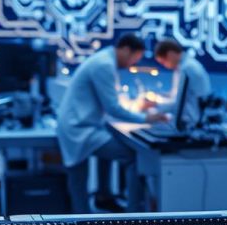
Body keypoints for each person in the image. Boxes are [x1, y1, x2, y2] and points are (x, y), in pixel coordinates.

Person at [57, 33, 169, 214]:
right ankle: (133, 214)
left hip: (82, 125)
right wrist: (147, 118)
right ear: (126, 49)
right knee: (134, 158)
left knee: (88, 171)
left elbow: (112, 102)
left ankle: (104, 198)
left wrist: (137, 108)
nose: (133, 64)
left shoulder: (104, 60)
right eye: (134, 58)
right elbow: (113, 108)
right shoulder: (104, 65)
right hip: (79, 129)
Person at [153, 39, 212, 127]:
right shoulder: (184, 66)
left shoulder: (187, 69)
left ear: (170, 54)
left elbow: (179, 103)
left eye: (163, 62)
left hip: (189, 122)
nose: (164, 66)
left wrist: (155, 105)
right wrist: (161, 95)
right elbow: (178, 95)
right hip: (188, 117)